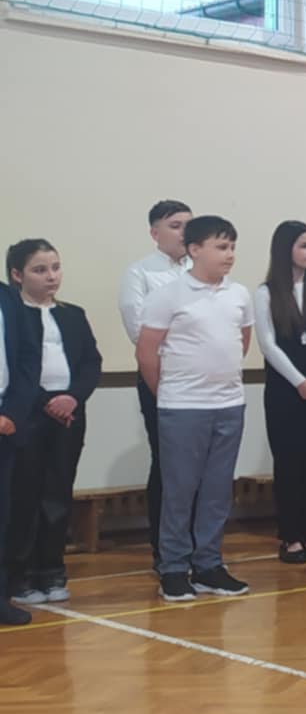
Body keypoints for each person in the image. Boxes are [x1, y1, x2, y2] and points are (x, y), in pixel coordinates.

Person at [137, 216, 256, 602]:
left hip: (229, 404)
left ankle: (208, 565)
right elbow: (147, 352)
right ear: (194, 250)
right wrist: (168, 393)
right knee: (179, 490)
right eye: (221, 247)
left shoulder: (239, 294)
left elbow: (242, 341)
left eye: (232, 247)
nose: (230, 255)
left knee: (218, 489)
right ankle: (173, 568)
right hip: (183, 407)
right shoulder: (169, 295)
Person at [6, 240, 101, 606]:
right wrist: (46, 401)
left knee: (58, 493)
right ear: (17, 275)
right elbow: (19, 368)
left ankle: (52, 569)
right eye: (40, 270)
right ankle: (21, 574)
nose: (51, 276)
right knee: (25, 494)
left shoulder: (72, 314)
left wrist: (73, 397)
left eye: (55, 268)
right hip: (28, 414)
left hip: (68, 414)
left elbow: (90, 362)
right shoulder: (12, 316)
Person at [254, 222, 306, 565]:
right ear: (285, 248)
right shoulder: (266, 293)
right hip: (286, 390)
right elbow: (268, 344)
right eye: (304, 245)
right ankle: (291, 537)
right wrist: (299, 382)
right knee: (290, 462)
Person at [117, 199, 190, 573]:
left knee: (199, 465)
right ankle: (165, 548)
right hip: (160, 375)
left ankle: (198, 544)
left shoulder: (203, 270)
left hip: (201, 380)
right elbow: (139, 331)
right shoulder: (141, 272)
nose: (184, 232)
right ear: (155, 232)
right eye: (175, 225)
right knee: (167, 462)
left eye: (189, 225)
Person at [0, 281, 32, 625]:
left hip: (4, 421)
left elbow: (26, 358)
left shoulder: (7, 297)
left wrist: (13, 413)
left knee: (2, 515)